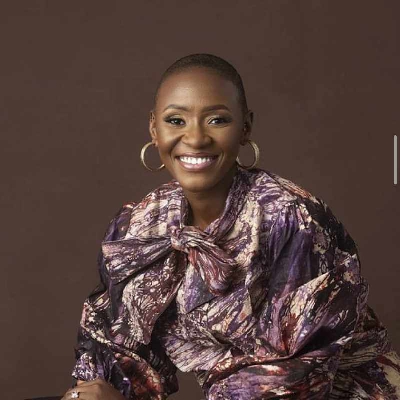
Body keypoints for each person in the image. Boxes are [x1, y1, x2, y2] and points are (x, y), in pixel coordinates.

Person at [61, 53, 400, 400]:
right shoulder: (138, 225)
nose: (195, 138)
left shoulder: (292, 220)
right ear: (154, 128)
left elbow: (293, 379)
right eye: (175, 120)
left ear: (245, 127)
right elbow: (111, 343)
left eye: (217, 120)